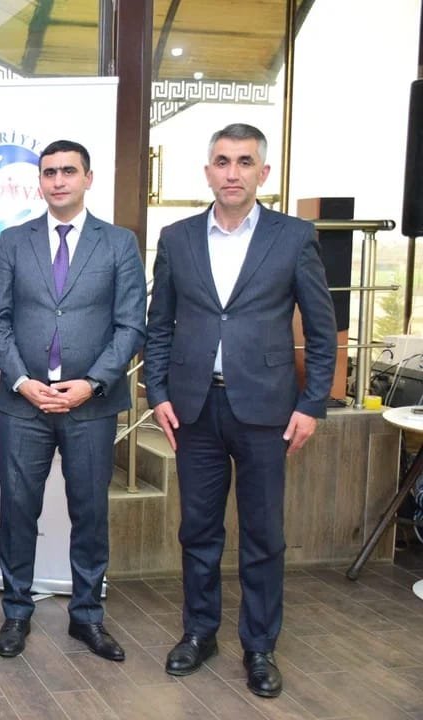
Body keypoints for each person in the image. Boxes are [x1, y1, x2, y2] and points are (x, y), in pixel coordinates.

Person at [144, 123, 336, 698]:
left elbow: (321, 330)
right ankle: (199, 632)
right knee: (198, 530)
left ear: (263, 173)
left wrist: (312, 404)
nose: (232, 173)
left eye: (244, 162)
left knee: (263, 534)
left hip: (268, 410)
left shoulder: (294, 237)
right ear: (208, 171)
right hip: (195, 408)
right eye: (223, 161)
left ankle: (259, 646)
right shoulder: (176, 238)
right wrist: (158, 393)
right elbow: (159, 326)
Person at [0, 139, 146, 662]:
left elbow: (131, 325)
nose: (58, 181)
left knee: (90, 513)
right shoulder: (14, 241)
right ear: (40, 181)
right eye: (49, 172)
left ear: (87, 179)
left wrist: (92, 383)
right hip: (24, 404)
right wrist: (21, 381)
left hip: (91, 406)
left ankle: (87, 617)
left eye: (68, 171)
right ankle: (16, 612)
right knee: (17, 510)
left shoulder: (118, 243)